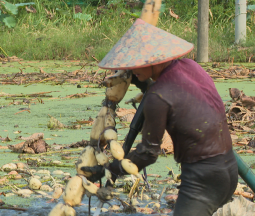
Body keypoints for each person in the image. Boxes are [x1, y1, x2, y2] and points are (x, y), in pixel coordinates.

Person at [83, 18, 238, 216]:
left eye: (136, 64)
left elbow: (148, 154)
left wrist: (107, 169)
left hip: (202, 179)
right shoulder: (191, 66)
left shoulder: (157, 97)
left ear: (154, 60)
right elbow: (175, 95)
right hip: (228, 168)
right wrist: (142, 83)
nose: (132, 69)